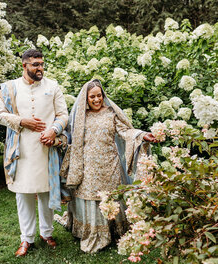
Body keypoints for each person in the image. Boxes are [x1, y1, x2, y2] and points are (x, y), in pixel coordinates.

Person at [58, 79, 157, 253]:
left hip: (110, 164)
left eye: (99, 95)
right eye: (92, 97)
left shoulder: (111, 113)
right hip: (87, 165)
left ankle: (113, 230)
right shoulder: (81, 116)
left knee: (110, 196)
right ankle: (92, 233)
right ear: (86, 99)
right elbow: (69, 136)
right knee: (91, 196)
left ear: (103, 96)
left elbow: (125, 131)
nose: (96, 100)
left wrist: (142, 135)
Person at [0, 49, 68, 257]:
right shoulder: (11, 87)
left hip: (46, 149)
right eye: (35, 64)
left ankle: (46, 233)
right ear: (24, 66)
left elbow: (63, 114)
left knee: (47, 191)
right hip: (21, 150)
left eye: (42, 64)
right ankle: (26, 239)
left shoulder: (53, 86)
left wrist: (53, 131)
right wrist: (21, 121)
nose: (40, 68)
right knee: (23, 194)